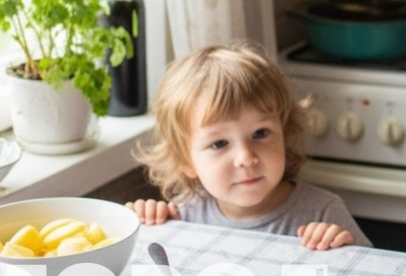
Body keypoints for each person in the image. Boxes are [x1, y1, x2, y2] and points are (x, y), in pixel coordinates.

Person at [127, 42, 371, 250]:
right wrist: (143, 223)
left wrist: (344, 252)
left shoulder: (323, 212)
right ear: (185, 161)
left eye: (261, 133)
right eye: (219, 143)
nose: (246, 157)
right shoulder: (184, 215)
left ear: (284, 135)